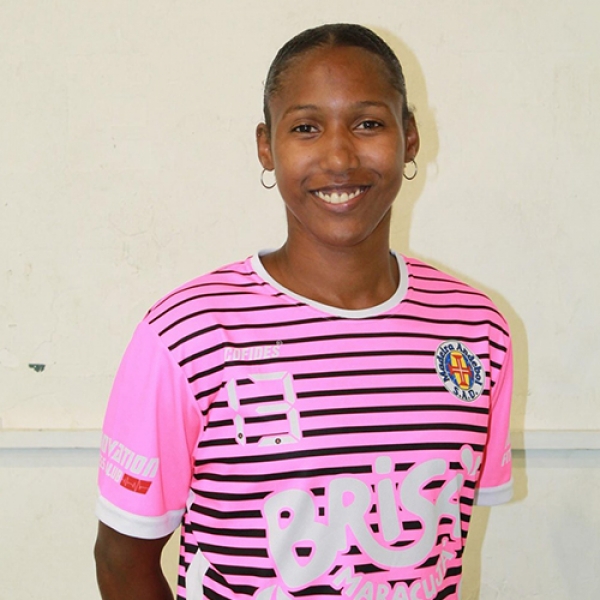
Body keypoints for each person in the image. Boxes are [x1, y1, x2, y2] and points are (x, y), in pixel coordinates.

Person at [94, 23, 513, 600]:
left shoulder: (477, 328)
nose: (339, 156)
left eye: (368, 123)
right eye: (306, 128)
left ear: (410, 137)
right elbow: (122, 562)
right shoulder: (188, 334)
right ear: (267, 147)